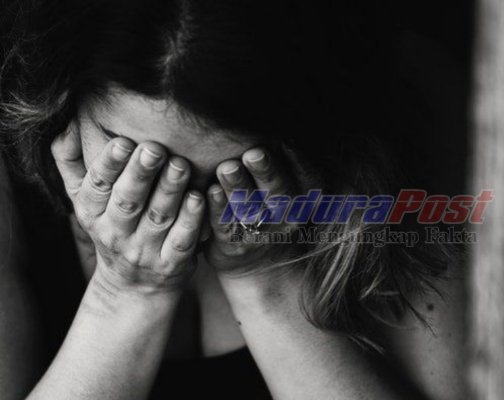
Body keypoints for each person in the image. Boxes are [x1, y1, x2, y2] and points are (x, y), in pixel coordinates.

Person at [0, 0, 467, 399]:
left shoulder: (414, 108)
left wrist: (266, 279)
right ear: (61, 99)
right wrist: (124, 292)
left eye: (236, 171)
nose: (181, 206)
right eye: (136, 160)